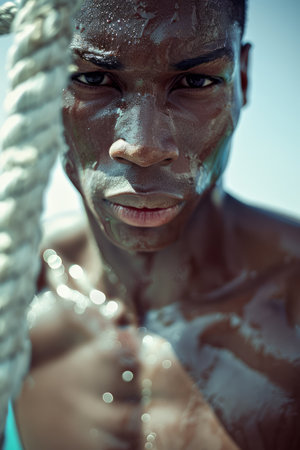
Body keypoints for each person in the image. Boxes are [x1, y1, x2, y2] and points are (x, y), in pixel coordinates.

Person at [6, 0, 300, 448]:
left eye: (195, 81)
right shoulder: (16, 293)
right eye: (93, 79)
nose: (142, 145)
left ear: (241, 79)